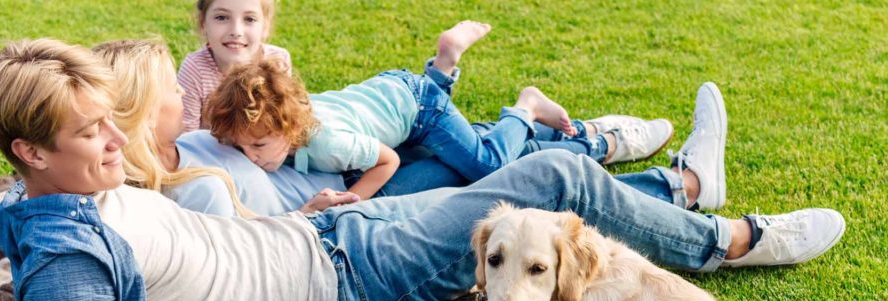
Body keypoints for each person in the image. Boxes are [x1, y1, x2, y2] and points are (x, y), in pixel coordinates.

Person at [0, 39, 845, 301]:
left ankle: (660, 179)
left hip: (329, 237)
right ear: (30, 151)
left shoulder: (50, 196)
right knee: (551, 183)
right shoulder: (65, 260)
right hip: (347, 287)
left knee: (458, 166)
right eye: (92, 133)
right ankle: (726, 232)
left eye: (109, 122)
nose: (119, 140)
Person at [96, 38, 677, 216]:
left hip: (373, 144)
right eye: (171, 89)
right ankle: (630, 166)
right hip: (349, 201)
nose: (184, 89)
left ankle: (566, 132)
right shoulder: (173, 194)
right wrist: (316, 213)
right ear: (145, 112)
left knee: (483, 165)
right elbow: (245, 250)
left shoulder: (194, 141)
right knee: (482, 180)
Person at [207, 21, 652, 199]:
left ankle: (525, 106)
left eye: (259, 146)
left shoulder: (327, 144)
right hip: (394, 96)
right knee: (450, 143)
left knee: (486, 163)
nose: (254, 158)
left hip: (418, 110)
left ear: (288, 127)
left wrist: (351, 200)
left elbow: (389, 159)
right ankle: (444, 64)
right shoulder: (288, 124)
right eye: (244, 150)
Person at [178, 0, 291, 132]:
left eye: (249, 19)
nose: (236, 31)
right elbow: (185, 138)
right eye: (221, 17)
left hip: (263, 150)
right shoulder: (194, 69)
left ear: (265, 27)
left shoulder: (278, 61)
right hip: (210, 150)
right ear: (203, 23)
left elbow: (284, 123)